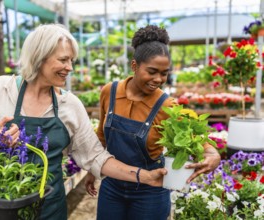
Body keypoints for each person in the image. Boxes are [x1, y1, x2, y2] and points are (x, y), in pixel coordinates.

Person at [0, 24, 168, 220]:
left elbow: (95, 157)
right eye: (63, 60)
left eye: (72, 61)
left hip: (49, 207)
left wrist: (145, 176)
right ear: (40, 57)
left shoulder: (70, 105)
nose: (70, 68)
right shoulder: (1, 89)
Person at [84, 25, 221, 220]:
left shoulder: (166, 105)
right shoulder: (110, 92)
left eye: (164, 73)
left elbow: (196, 137)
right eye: (152, 71)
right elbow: (102, 135)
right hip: (112, 186)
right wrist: (93, 170)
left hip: (150, 190)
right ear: (134, 66)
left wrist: (212, 153)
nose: (158, 79)